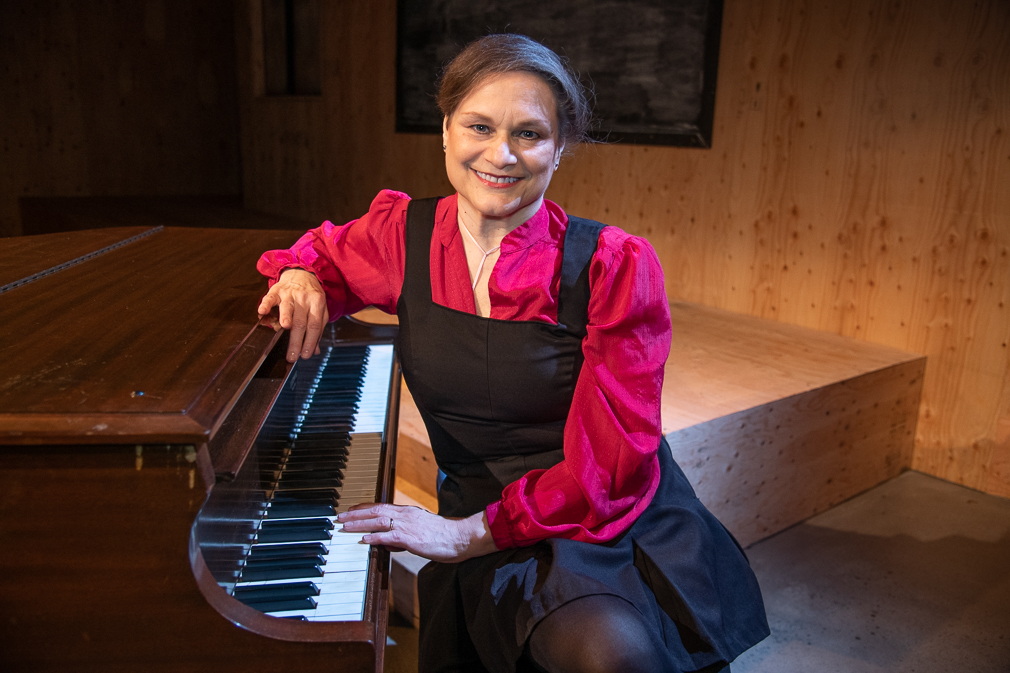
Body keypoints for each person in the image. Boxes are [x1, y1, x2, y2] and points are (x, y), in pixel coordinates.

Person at [256, 33, 768, 673]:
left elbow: (613, 468)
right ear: (446, 132)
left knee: (616, 656)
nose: (500, 154)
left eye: (529, 134)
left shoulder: (611, 264)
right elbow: (325, 258)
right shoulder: (402, 236)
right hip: (480, 499)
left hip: (596, 515)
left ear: (560, 151)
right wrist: (300, 276)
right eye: (479, 126)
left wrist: (466, 535)